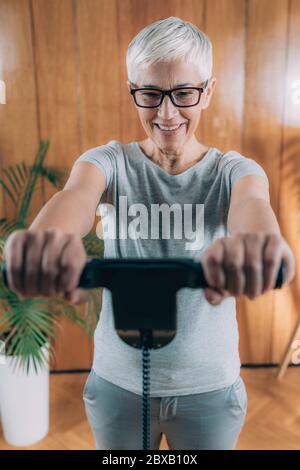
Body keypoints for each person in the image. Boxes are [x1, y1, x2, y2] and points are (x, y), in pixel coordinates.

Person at [3, 17, 295, 450]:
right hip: (117, 386)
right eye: (150, 94)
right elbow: (77, 197)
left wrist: (260, 245)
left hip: (208, 389)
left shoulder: (233, 171)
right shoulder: (109, 161)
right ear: (132, 92)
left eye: (183, 94)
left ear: (208, 91)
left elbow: (253, 207)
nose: (166, 113)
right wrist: (49, 237)